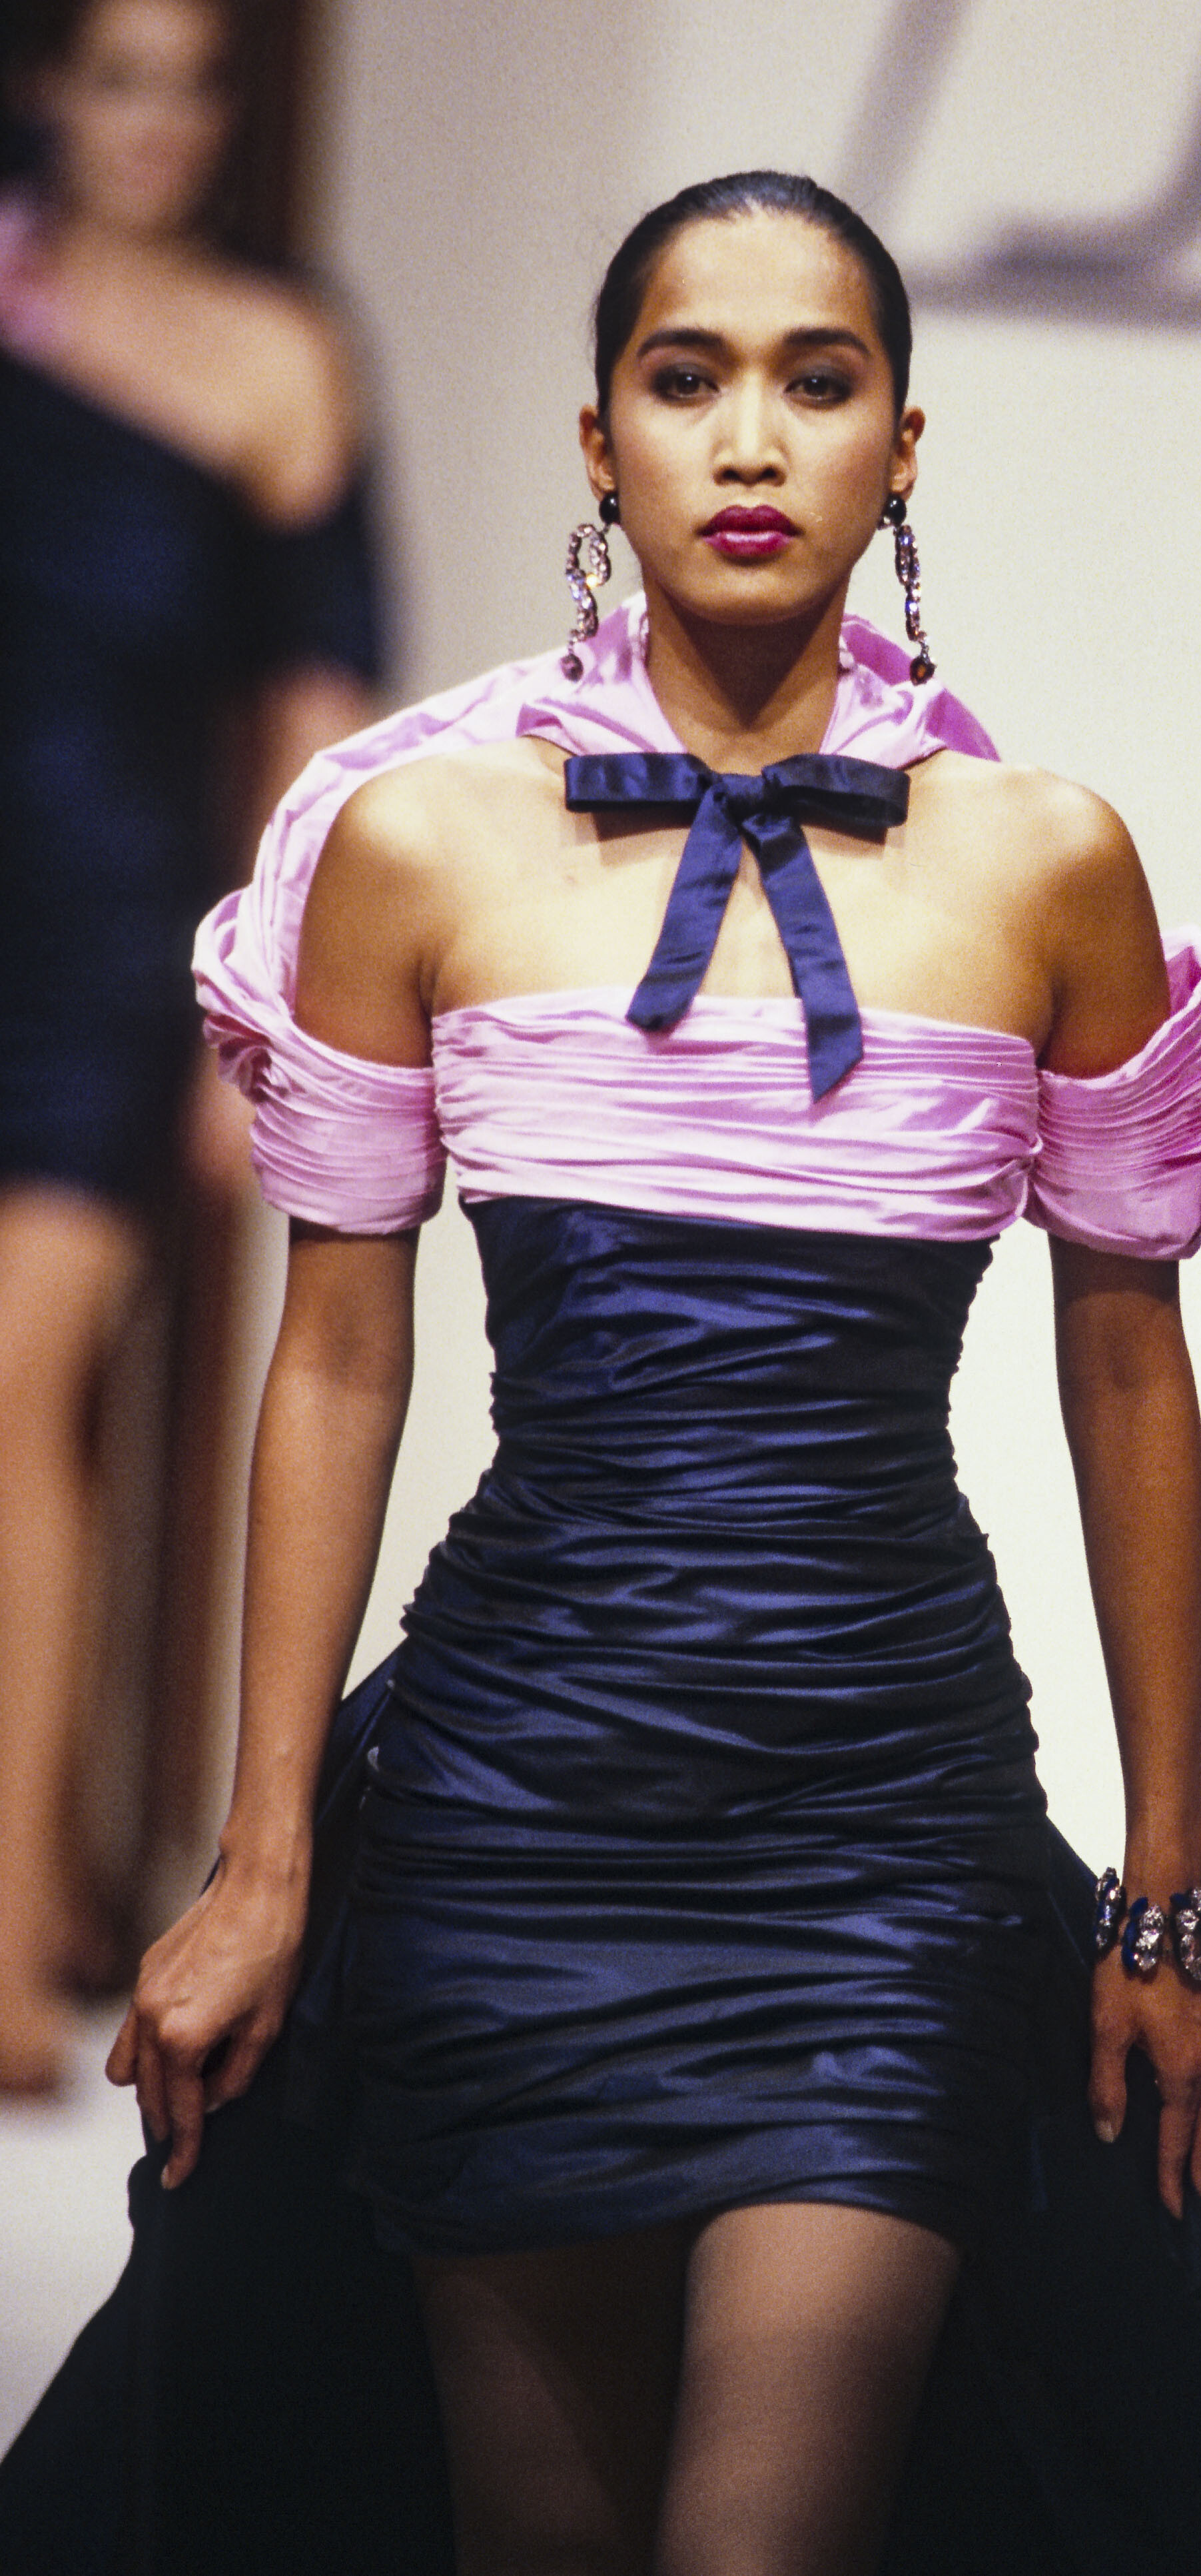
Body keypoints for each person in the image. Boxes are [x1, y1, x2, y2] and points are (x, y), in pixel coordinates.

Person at [10, 171, 1201, 2575]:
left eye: (820, 377)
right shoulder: (418, 851)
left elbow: (1129, 1374)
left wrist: (1166, 1887)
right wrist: (267, 1856)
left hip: (883, 1830)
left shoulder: (1046, 866)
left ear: (907, 442)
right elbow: (339, 1360)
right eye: (688, 378)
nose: (754, 435)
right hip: (515, 1825)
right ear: (599, 442)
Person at [0, 0, 384, 2094]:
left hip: (110, 954)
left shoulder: (279, 353)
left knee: (17, 1385)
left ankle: (5, 1950)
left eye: (196, 81)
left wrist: (269, 1019)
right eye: (117, 75)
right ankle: (43, 1877)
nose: (157, 122)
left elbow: (318, 714)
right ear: (46, 89)